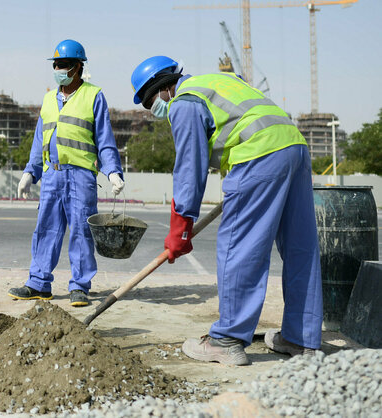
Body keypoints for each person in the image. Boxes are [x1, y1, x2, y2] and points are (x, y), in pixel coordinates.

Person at [129, 56, 323, 365]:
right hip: (293, 148)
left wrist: (180, 227)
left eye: (150, 103)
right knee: (301, 249)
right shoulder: (218, 83)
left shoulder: (184, 101)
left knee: (239, 246)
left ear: (162, 89)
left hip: (257, 154)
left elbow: (190, 169)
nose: (155, 111)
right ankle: (302, 339)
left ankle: (226, 340)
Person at [11, 40, 124, 308]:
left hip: (82, 175)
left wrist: (113, 172)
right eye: (55, 65)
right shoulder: (49, 99)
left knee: (82, 232)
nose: (58, 69)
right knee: (45, 229)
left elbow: (104, 140)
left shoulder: (93, 95)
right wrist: (30, 172)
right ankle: (39, 284)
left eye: (63, 65)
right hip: (53, 174)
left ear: (78, 67)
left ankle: (80, 287)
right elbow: (40, 141)